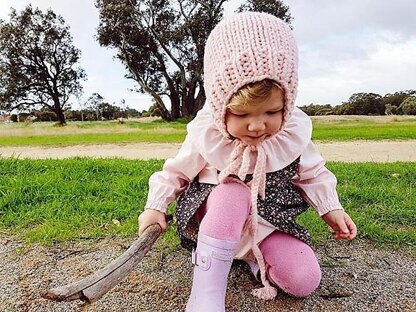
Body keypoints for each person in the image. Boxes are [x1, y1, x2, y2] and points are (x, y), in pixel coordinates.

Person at [138, 12, 357, 312]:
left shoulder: (292, 135)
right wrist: (155, 207)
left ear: (287, 103)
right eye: (242, 115)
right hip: (216, 219)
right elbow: (174, 172)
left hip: (265, 223)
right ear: (220, 105)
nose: (257, 126)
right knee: (234, 191)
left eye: (271, 112)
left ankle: (253, 259)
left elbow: (313, 174)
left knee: (304, 279)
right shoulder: (208, 134)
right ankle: (205, 294)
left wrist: (331, 208)